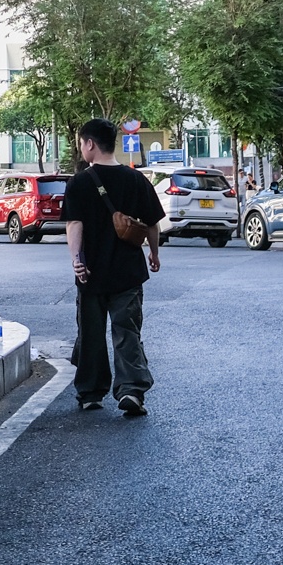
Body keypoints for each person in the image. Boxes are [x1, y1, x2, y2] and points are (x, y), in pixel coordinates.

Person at [63, 117, 165, 415]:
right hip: (128, 272)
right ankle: (131, 391)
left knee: (91, 334)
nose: (82, 148)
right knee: (127, 332)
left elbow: (74, 224)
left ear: (90, 144)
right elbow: (151, 225)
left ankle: (91, 392)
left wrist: (77, 261)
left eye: (82, 143)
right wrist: (154, 254)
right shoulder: (136, 180)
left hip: (92, 272)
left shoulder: (80, 182)